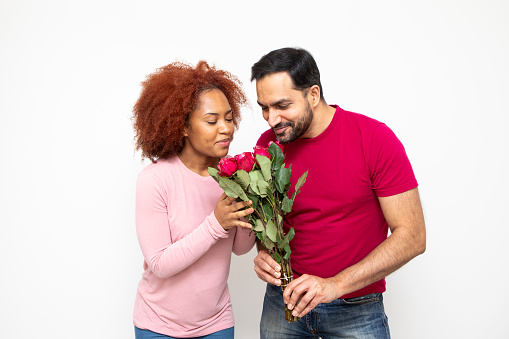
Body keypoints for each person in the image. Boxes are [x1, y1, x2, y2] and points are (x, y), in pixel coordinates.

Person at [251, 47, 426, 339]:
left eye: (282, 105)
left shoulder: (374, 139)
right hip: (284, 303)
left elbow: (412, 236)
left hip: (356, 307)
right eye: (264, 108)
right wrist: (263, 253)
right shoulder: (269, 144)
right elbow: (268, 217)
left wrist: (335, 285)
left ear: (314, 95)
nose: (271, 119)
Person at [131, 61, 256, 339]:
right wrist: (216, 222)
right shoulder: (155, 180)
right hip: (158, 325)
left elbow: (240, 248)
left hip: (217, 323)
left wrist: (250, 205)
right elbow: (160, 264)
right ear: (183, 127)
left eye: (228, 117)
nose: (226, 128)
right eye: (212, 121)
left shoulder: (232, 176)